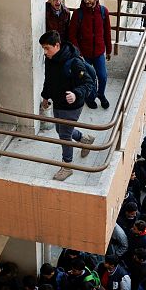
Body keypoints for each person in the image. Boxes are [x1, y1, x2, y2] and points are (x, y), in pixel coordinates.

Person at [37, 30, 96, 181]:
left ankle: (67, 166)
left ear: (57, 45)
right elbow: (48, 79)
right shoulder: (50, 59)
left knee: (64, 136)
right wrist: (45, 97)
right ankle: (84, 140)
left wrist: (76, 94)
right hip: (58, 102)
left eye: (47, 48)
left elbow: (88, 83)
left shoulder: (74, 62)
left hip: (72, 105)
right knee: (60, 129)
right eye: (43, 48)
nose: (45, 52)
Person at [68, 0, 112, 109]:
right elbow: (72, 35)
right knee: (89, 78)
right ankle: (91, 97)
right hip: (84, 54)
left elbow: (107, 32)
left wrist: (108, 50)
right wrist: (78, 53)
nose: (87, 1)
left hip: (99, 52)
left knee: (102, 77)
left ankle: (101, 94)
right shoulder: (78, 14)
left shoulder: (103, 11)